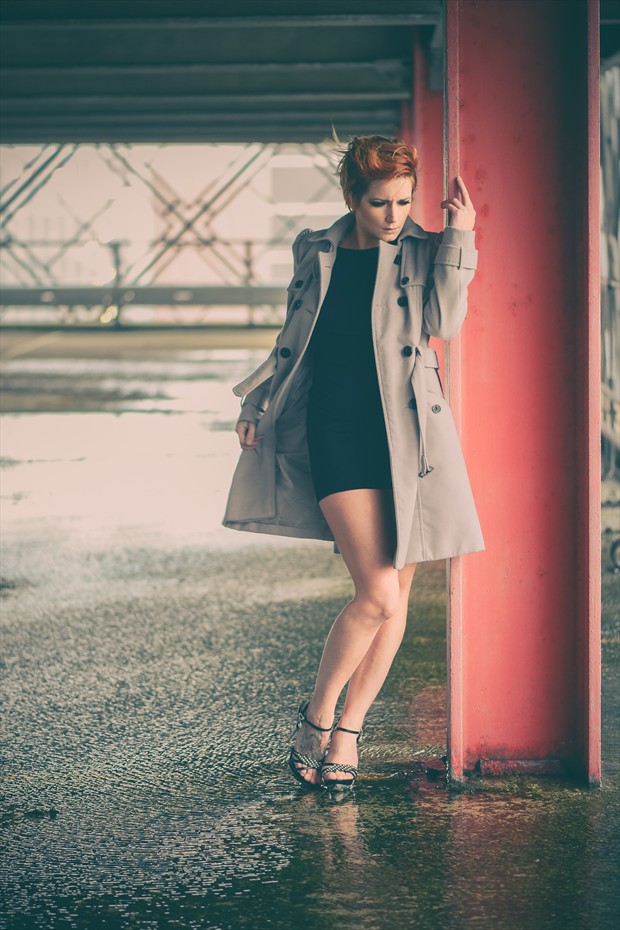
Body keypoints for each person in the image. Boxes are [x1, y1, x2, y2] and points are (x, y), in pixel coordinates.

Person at [222, 134, 484, 791]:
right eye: (379, 203)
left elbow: (445, 324)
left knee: (397, 599)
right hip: (334, 427)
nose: (394, 215)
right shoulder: (316, 249)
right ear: (351, 198)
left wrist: (461, 238)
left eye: (404, 201)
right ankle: (316, 717)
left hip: (409, 438)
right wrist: (256, 401)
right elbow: (293, 340)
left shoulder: (428, 250)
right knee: (378, 592)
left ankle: (348, 733)